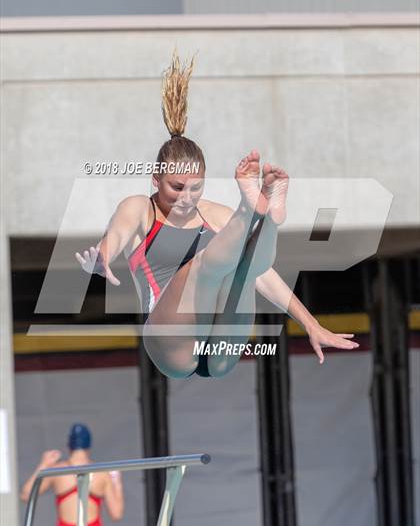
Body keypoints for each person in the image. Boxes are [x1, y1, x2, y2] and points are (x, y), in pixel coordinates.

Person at [76, 52, 359, 379]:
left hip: (220, 349)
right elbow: (115, 235)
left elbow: (266, 275)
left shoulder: (214, 215)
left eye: (196, 188)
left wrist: (312, 324)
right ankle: (250, 208)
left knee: (247, 270)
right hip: (171, 343)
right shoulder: (140, 208)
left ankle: (266, 216)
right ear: (156, 179)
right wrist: (103, 257)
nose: (186, 198)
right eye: (176, 187)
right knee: (204, 263)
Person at [20, 424, 124, 526]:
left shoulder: (57, 471)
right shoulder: (101, 473)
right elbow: (116, 514)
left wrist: (43, 465)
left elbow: (25, 495)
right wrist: (117, 483)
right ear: (88, 446)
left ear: (69, 445)